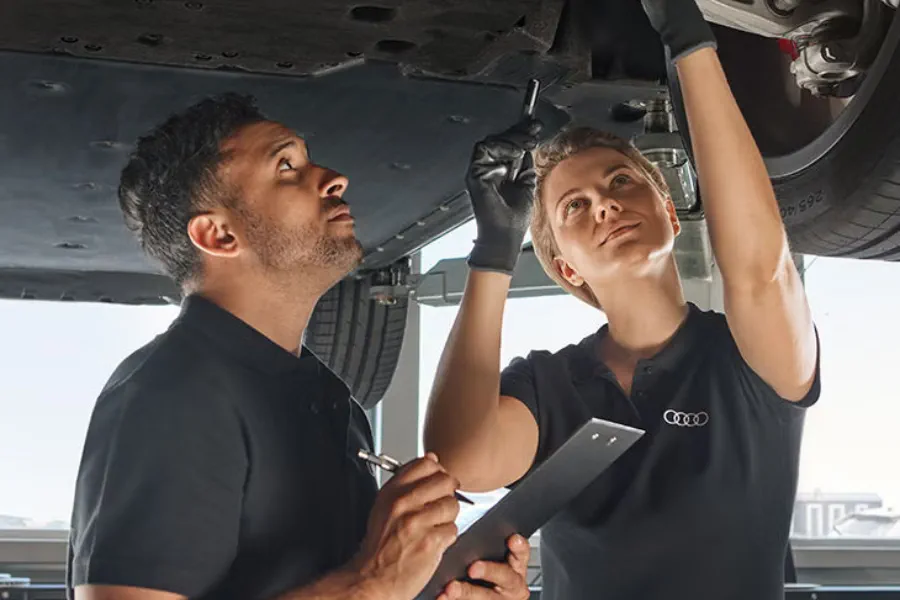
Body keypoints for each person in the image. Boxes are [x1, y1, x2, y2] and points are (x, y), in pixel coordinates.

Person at [423, 1, 820, 599]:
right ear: (565, 267)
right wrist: (494, 252)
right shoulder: (550, 386)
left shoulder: (746, 358)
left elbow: (761, 272)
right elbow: (461, 460)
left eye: (621, 181)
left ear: (671, 215)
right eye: (574, 207)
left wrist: (689, 40)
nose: (606, 204)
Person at [67, 93, 532, 600]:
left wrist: (446, 588)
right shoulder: (171, 395)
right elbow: (367, 585)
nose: (335, 178)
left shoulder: (331, 401)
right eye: (286, 167)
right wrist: (376, 579)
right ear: (219, 235)